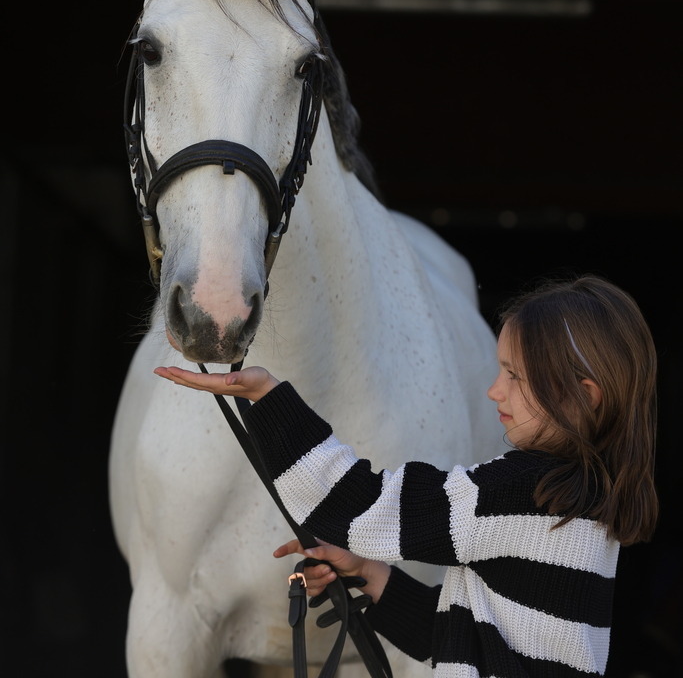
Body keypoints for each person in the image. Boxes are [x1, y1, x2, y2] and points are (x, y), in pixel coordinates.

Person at [154, 274, 658, 678]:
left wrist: (269, 400)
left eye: (515, 377)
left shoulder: (520, 492)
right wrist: (370, 574)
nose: (494, 392)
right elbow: (459, 640)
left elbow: (359, 504)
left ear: (584, 396)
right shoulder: (579, 503)